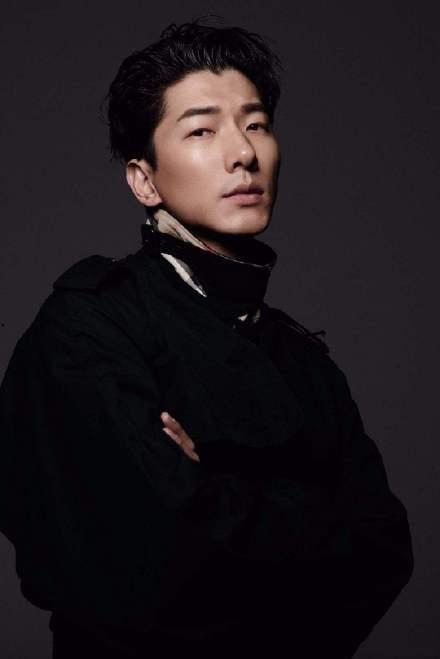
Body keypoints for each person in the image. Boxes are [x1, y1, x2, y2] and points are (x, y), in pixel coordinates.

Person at [0, 17, 414, 659]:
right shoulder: (88, 326)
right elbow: (143, 562)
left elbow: (383, 550)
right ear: (144, 180)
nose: (243, 153)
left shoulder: (304, 360)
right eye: (201, 130)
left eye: (256, 124)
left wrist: (213, 486)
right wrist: (304, 511)